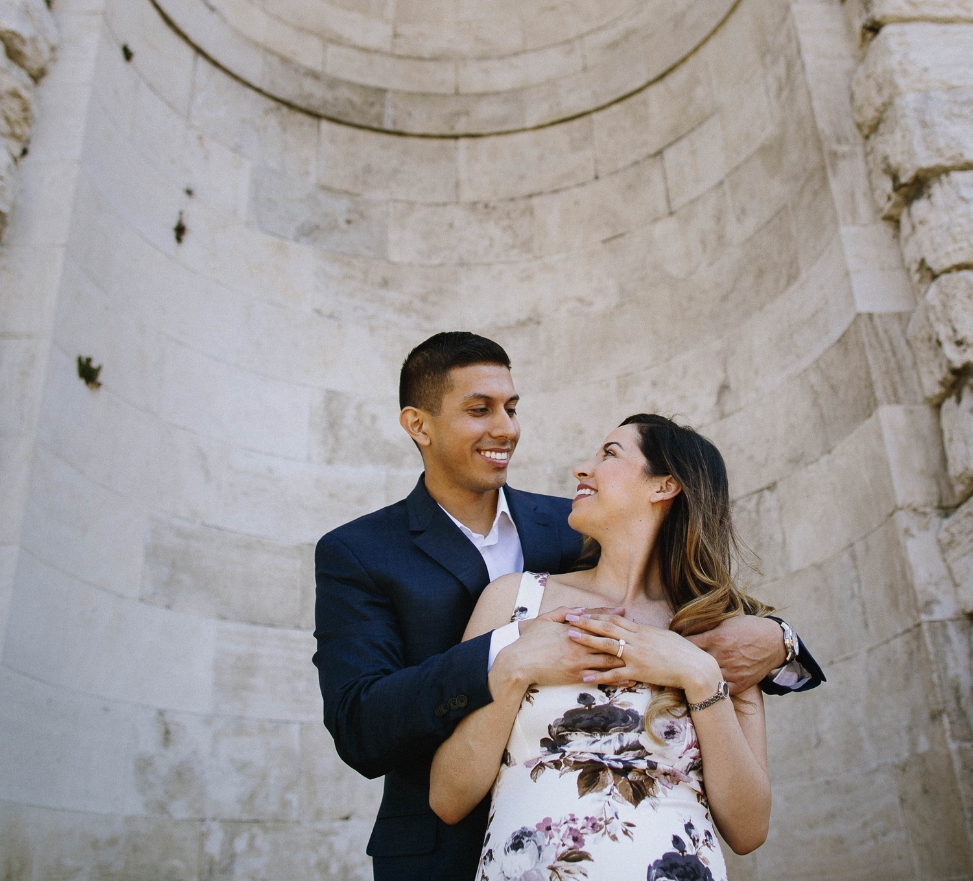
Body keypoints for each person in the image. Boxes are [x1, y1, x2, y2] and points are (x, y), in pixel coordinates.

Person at [313, 333, 823, 881]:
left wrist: (779, 638)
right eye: (479, 410)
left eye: (511, 408)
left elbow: (705, 606)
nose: (507, 428)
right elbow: (360, 722)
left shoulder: (576, 521)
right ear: (419, 425)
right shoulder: (361, 553)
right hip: (450, 853)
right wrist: (510, 656)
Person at [430, 415, 772, 880]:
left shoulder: (720, 634)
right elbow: (447, 798)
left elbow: (749, 831)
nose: (582, 469)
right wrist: (513, 668)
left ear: (664, 485)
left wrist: (700, 676)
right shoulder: (515, 600)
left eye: (609, 454)